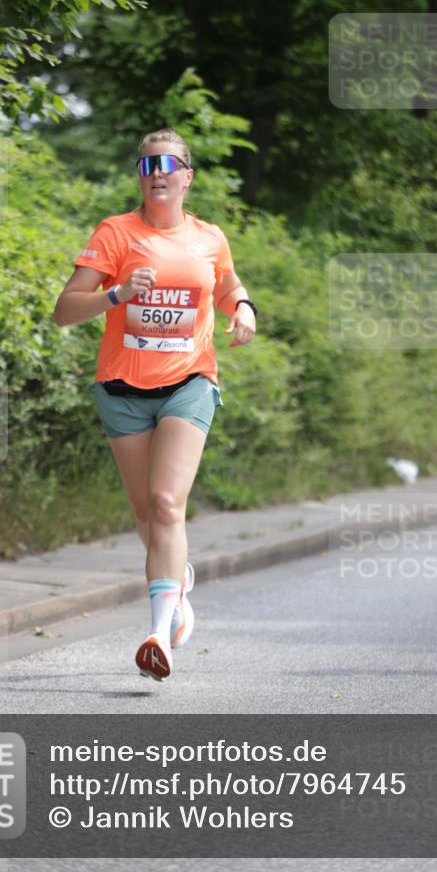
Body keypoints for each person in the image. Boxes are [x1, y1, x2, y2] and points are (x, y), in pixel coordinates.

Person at [53, 128, 257, 681]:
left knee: (167, 502)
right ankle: (179, 586)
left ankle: (158, 634)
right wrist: (117, 295)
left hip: (188, 383)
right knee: (147, 516)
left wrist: (243, 307)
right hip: (122, 391)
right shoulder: (116, 234)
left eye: (168, 163)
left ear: (187, 175)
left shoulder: (208, 236)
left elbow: (226, 281)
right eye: (147, 165)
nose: (157, 172)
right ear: (140, 177)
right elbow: (64, 310)